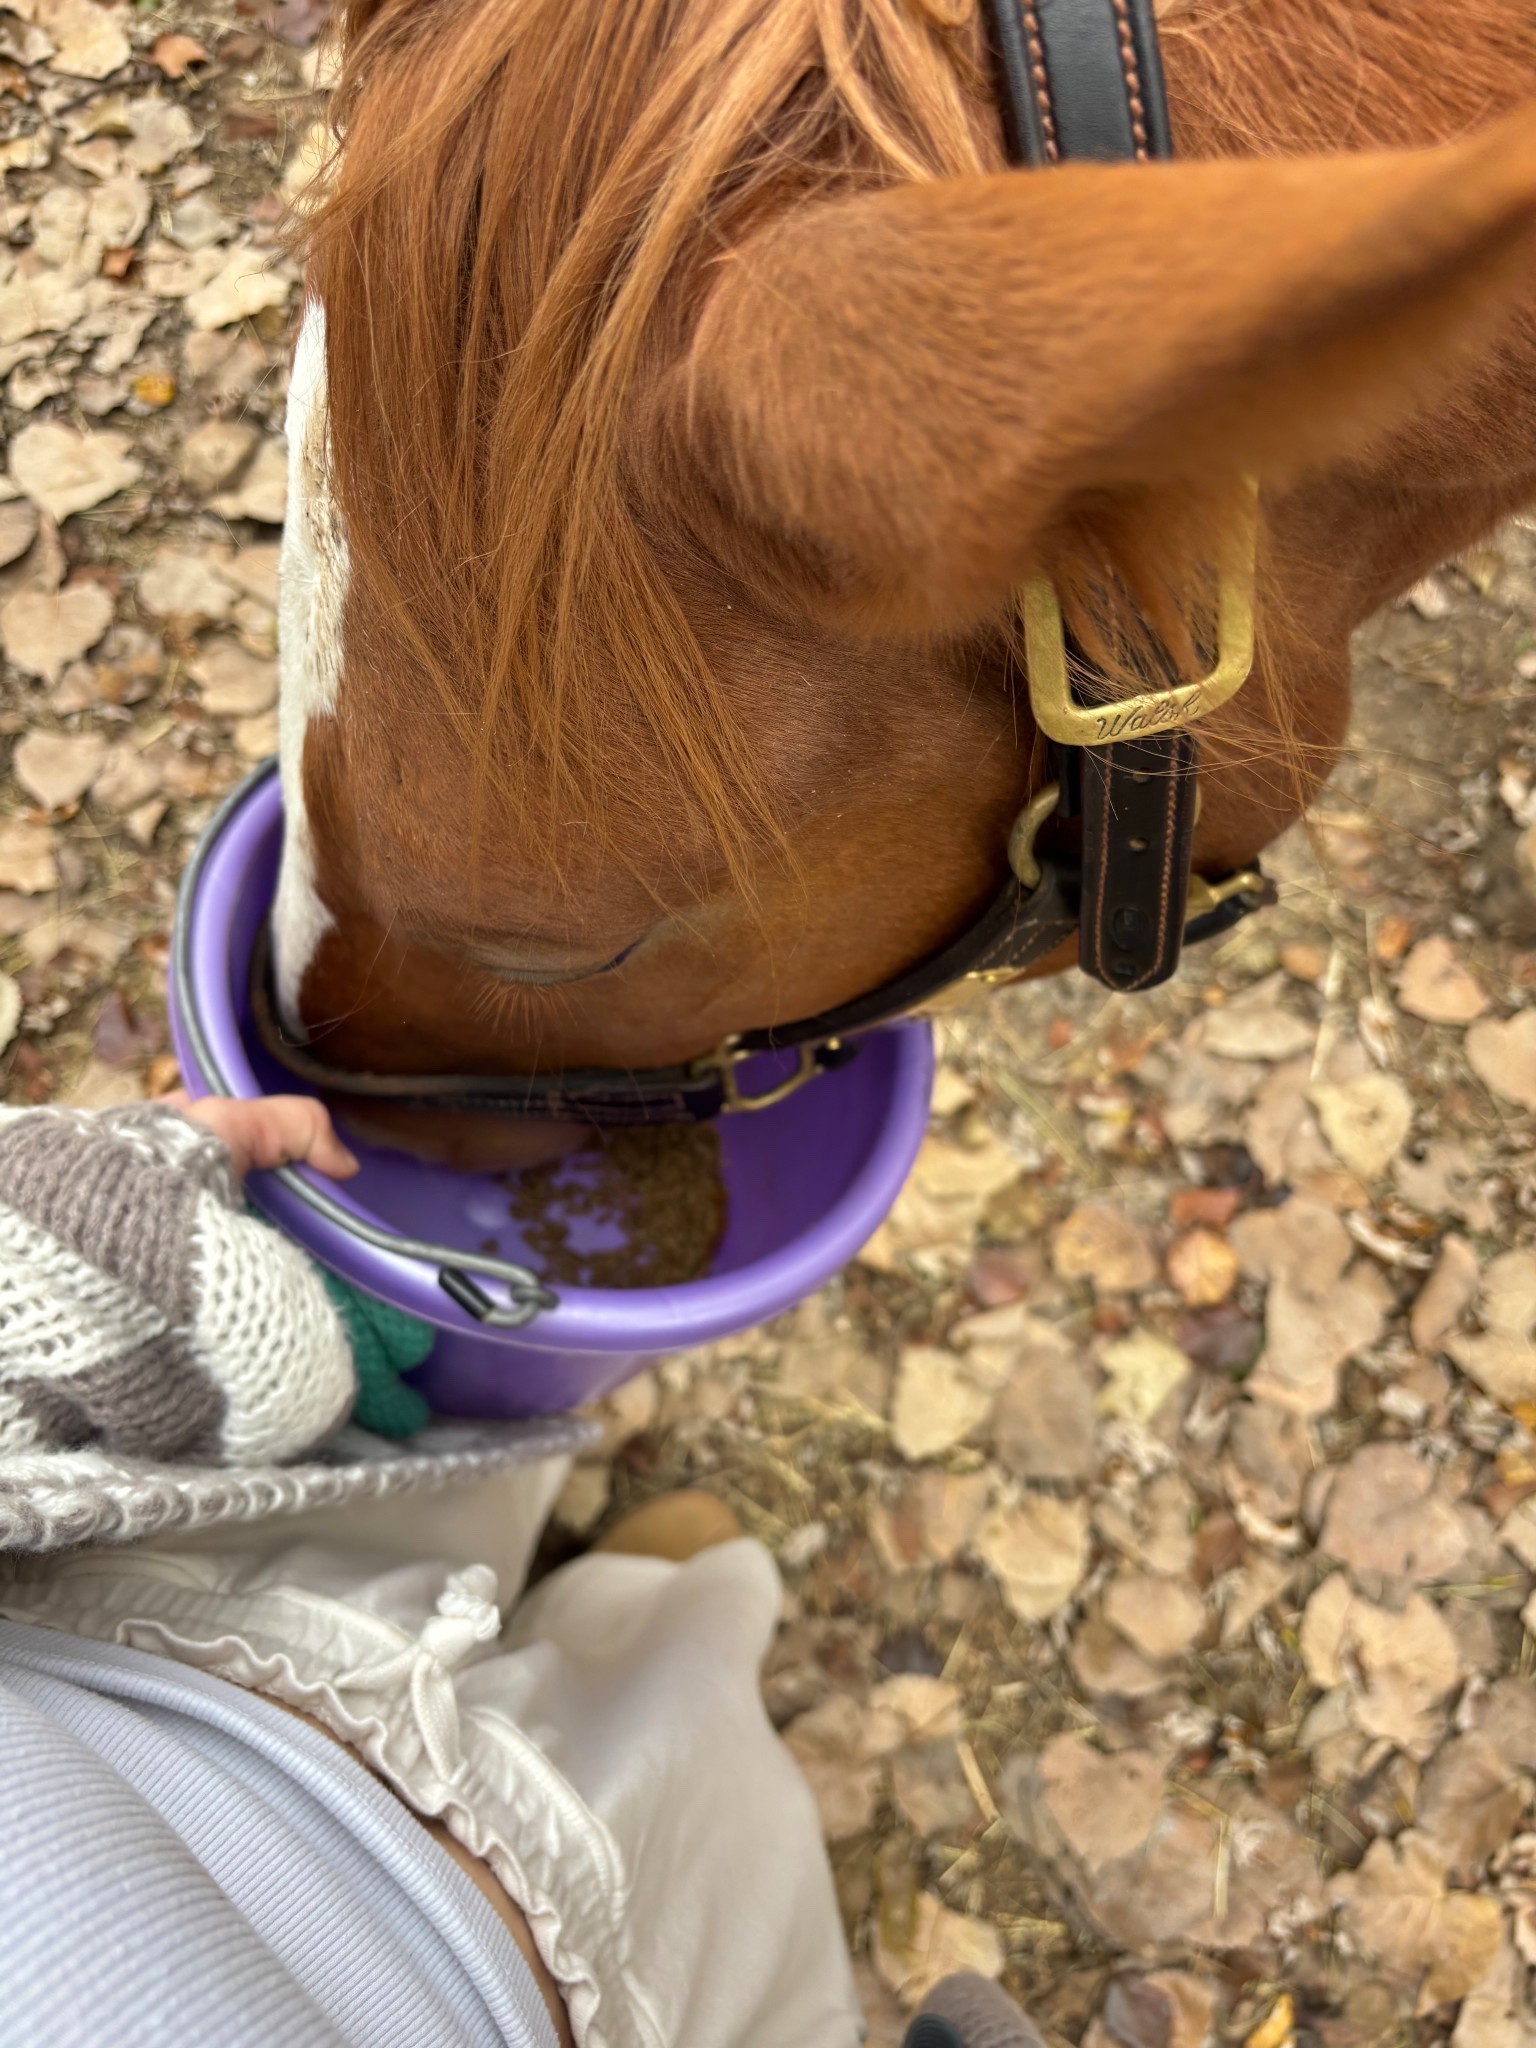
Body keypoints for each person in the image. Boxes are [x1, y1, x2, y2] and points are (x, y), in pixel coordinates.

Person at [0, 1090, 1044, 2048]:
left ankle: (577, 1569)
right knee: (724, 1778)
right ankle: (654, 1613)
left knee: (456, 1464)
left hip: (136, 1625)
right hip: (622, 1968)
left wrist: (70, 1262)